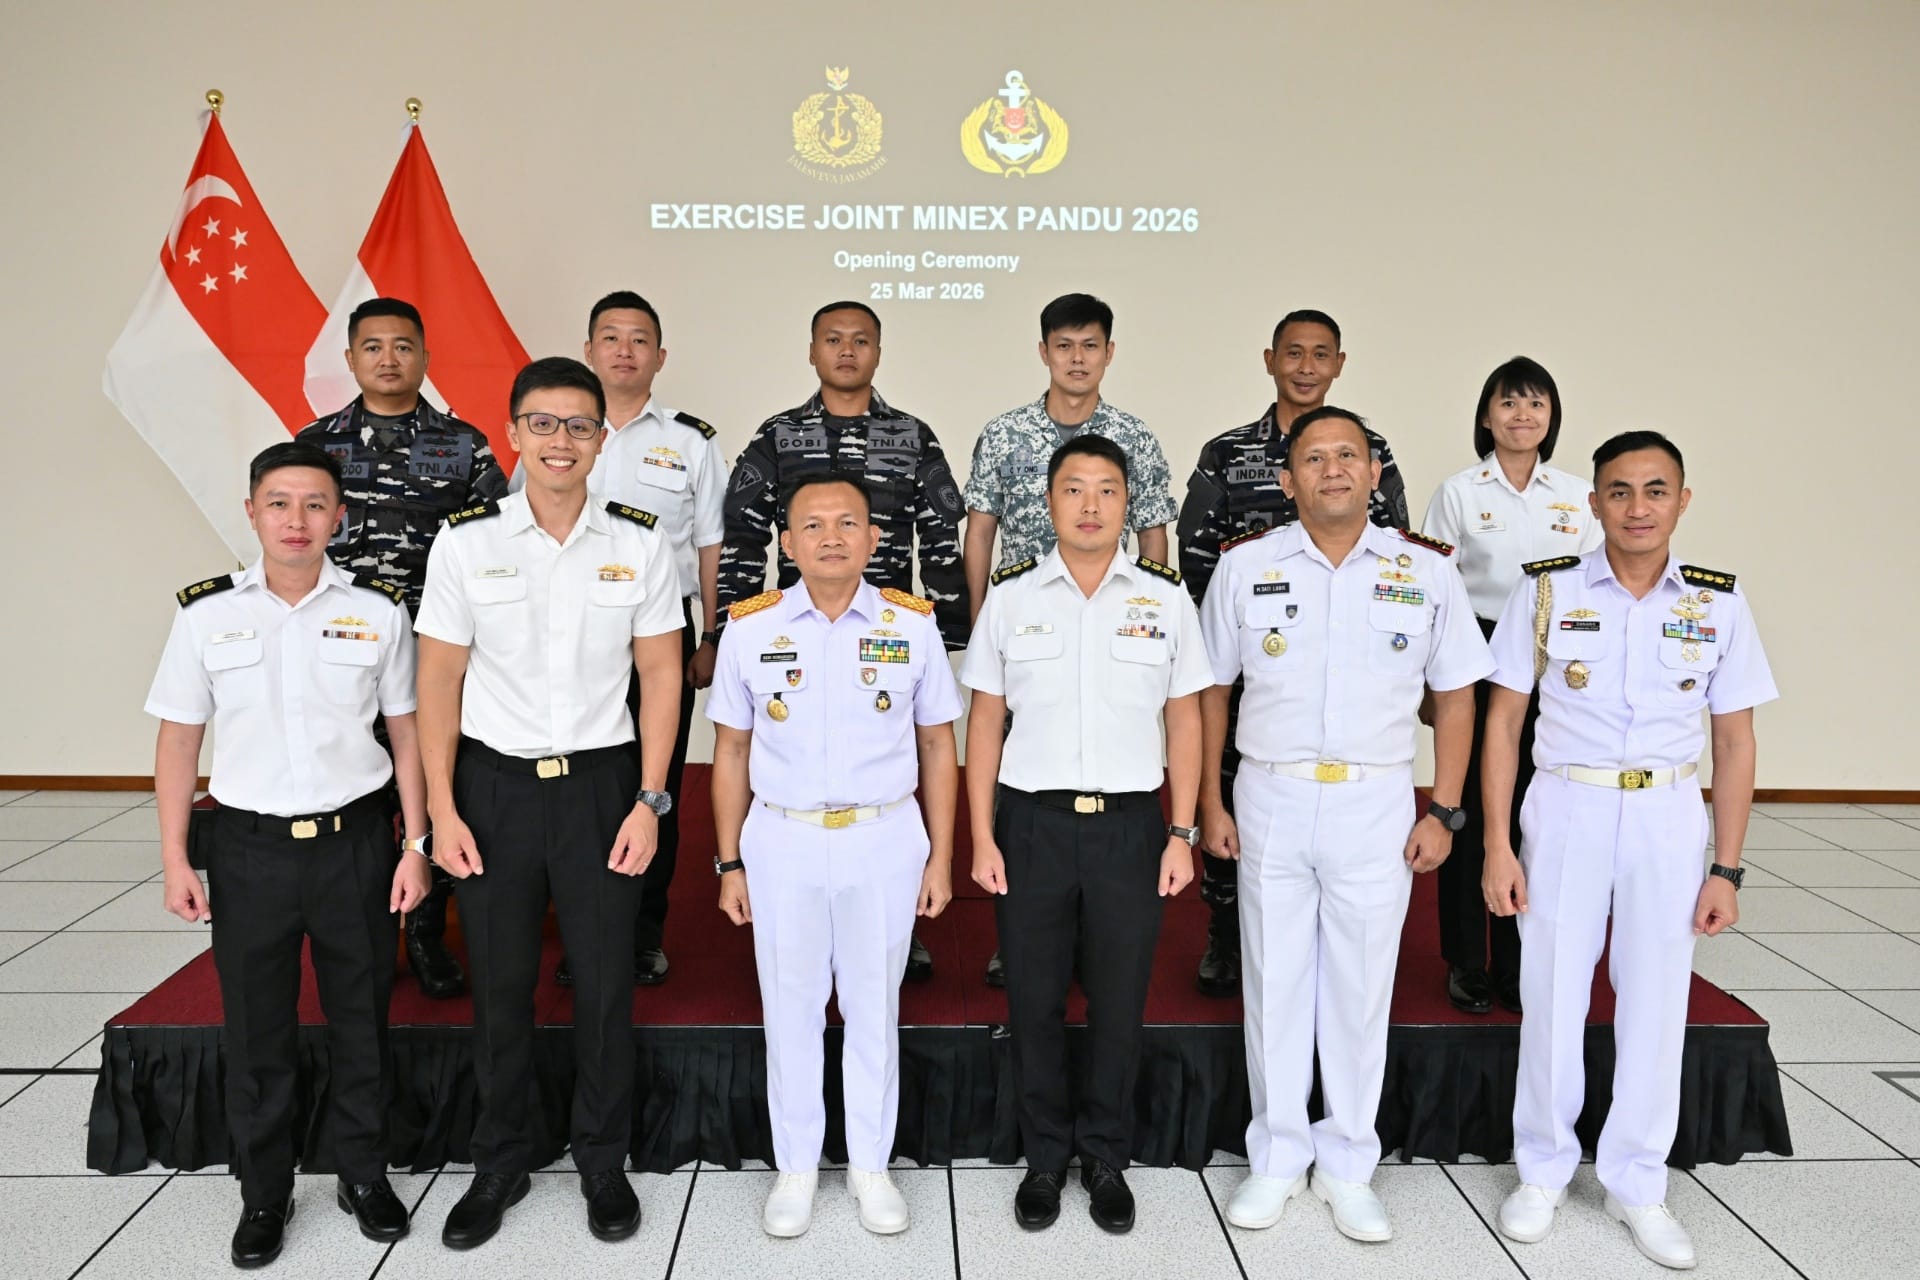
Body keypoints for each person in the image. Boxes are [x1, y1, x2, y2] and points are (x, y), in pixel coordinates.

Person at [1482, 431, 1775, 1270]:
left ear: (1683, 500)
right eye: (1619, 491)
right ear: (1593, 501)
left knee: (1655, 1002)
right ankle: (1541, 1168)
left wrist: (1726, 865)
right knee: (1551, 992)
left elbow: (1736, 741)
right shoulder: (1547, 592)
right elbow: (1504, 722)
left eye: (1655, 490)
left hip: (1667, 815)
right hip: (1568, 806)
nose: (1637, 507)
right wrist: (1497, 844)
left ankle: (1637, 1182)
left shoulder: (1717, 602)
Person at [1201, 407, 1491, 1243]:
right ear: (1287, 480)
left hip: (1375, 799)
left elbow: (1460, 693)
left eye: (1348, 457)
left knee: (1363, 988)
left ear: (1374, 474)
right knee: (1276, 981)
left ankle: (1349, 1164)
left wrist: (1444, 807)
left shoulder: (1425, 571)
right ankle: (1278, 1158)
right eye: (1313, 458)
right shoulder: (1244, 567)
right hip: (1271, 794)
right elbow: (1212, 690)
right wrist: (1212, 804)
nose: (1332, 469)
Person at [414, 357, 685, 1248]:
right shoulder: (465, 543)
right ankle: (500, 1160)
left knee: (605, 983)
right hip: (493, 791)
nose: (561, 441)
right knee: (500, 987)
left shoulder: (640, 541)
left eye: (579, 426)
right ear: (514, 433)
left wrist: (651, 800)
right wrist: (441, 816)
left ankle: (602, 1160)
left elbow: (659, 675)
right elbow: (439, 684)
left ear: (602, 440)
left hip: (605, 789)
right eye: (544, 423)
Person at [147, 441, 431, 1268]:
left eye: (314, 505)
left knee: (361, 1021)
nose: (297, 521)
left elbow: (407, 736)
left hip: (354, 847)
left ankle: (363, 1174)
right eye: (279, 503)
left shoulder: (378, 610)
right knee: (257, 1027)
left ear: (339, 516)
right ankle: (263, 1192)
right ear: (251, 512)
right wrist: (174, 857)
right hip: (249, 850)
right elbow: (176, 742)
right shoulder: (206, 615)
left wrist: (414, 847)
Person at [960, 435, 1210, 1235]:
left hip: (1133, 829)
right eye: (1075, 489)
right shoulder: (1011, 595)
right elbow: (986, 723)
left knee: (1118, 1002)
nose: (1092, 505)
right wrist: (980, 837)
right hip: (1029, 824)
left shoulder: (1166, 597)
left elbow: (1186, 716)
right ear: (1049, 501)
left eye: (1108, 490)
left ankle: (1105, 1155)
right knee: (1032, 999)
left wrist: (1182, 831)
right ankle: (1043, 1157)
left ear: (1127, 503)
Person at [708, 475, 961, 1238]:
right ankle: (795, 1167)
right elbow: (729, 751)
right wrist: (729, 863)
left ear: (873, 539)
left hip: (884, 836)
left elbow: (937, 743)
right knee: (789, 1007)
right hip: (781, 837)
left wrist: (940, 858)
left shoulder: (910, 625)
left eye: (848, 522)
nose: (831, 536)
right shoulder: (750, 629)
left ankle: (870, 1166)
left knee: (873, 1006)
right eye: (812, 525)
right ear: (787, 544)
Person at [719, 300, 968, 979]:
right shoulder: (778, 436)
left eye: (862, 341)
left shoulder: (913, 436)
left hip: (888, 638)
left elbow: (943, 535)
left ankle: (891, 919)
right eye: (833, 339)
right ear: (811, 350)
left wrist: (947, 633)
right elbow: (742, 530)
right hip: (796, 635)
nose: (848, 351)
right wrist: (725, 631)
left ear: (879, 353)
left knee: (884, 769)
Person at [1174, 310, 1408, 998]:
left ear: (1340, 364)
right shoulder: (1228, 451)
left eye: (1321, 355)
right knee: (1234, 789)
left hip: (1340, 664)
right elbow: (1195, 548)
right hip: (1249, 654)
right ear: (1270, 359)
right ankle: (1227, 931)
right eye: (1294, 354)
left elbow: (1393, 548)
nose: (1306, 366)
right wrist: (1222, 634)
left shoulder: (1370, 445)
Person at [961, 292, 1180, 986]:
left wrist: (1150, 602)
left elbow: (1152, 535)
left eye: (1090, 346)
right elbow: (981, 532)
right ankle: (1027, 928)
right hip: (1025, 623)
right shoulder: (1004, 433)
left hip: (1111, 610)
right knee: (1023, 770)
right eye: (1064, 345)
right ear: (1044, 352)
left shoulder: (1135, 437)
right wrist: (978, 623)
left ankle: (1096, 937)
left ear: (1109, 353)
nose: (1077, 358)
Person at [298, 295, 507, 1000]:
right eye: (374, 346)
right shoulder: (314, 446)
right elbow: (292, 549)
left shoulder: (465, 445)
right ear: (352, 357)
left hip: (436, 654)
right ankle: (361, 932)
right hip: (342, 651)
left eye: (404, 346)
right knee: (357, 791)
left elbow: (493, 550)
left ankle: (425, 930)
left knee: (436, 785)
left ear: (424, 355)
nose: (389, 359)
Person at [524, 291, 727, 988]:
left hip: (658, 646)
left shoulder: (690, 441)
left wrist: (710, 637)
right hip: (566, 648)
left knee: (654, 792)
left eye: (639, 339)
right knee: (574, 794)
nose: (624, 350)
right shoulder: (552, 432)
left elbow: (709, 544)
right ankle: (578, 934)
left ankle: (642, 934)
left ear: (660, 357)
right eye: (610, 337)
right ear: (588, 350)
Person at [1421, 357, 1601, 1015]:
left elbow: (1592, 586)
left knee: (1535, 814)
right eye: (1509, 403)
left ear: (1552, 418)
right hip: (1476, 655)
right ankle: (1468, 961)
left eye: (1536, 405)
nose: (1522, 416)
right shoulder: (1461, 492)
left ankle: (1520, 959)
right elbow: (1435, 592)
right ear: (1486, 415)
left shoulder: (1578, 495)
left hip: (1552, 662)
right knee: (1468, 813)